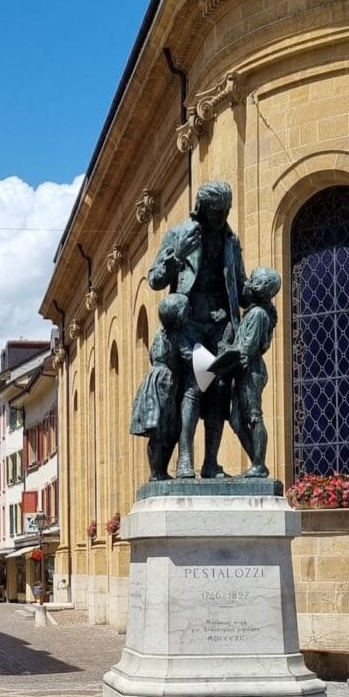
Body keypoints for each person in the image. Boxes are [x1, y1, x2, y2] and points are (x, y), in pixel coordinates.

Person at [147, 180, 247, 479]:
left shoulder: (231, 240)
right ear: (203, 208)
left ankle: (212, 462)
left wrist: (259, 295)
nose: (222, 216)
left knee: (218, 389)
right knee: (193, 386)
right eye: (217, 211)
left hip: (221, 321)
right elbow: (154, 280)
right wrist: (176, 256)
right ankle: (185, 459)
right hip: (189, 320)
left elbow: (239, 287)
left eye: (226, 210)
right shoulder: (179, 234)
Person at [210, 267, 281, 478]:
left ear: (258, 287)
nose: (247, 283)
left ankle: (259, 465)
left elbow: (246, 349)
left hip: (251, 371)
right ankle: (257, 464)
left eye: (251, 280)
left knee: (253, 416)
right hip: (244, 371)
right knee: (236, 420)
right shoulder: (252, 312)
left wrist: (221, 360)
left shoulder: (258, 314)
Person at [130, 294, 187, 480]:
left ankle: (159, 471)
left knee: (169, 431)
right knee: (161, 430)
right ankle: (157, 472)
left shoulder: (163, 334)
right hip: (163, 385)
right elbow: (186, 354)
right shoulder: (172, 336)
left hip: (164, 383)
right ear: (177, 315)